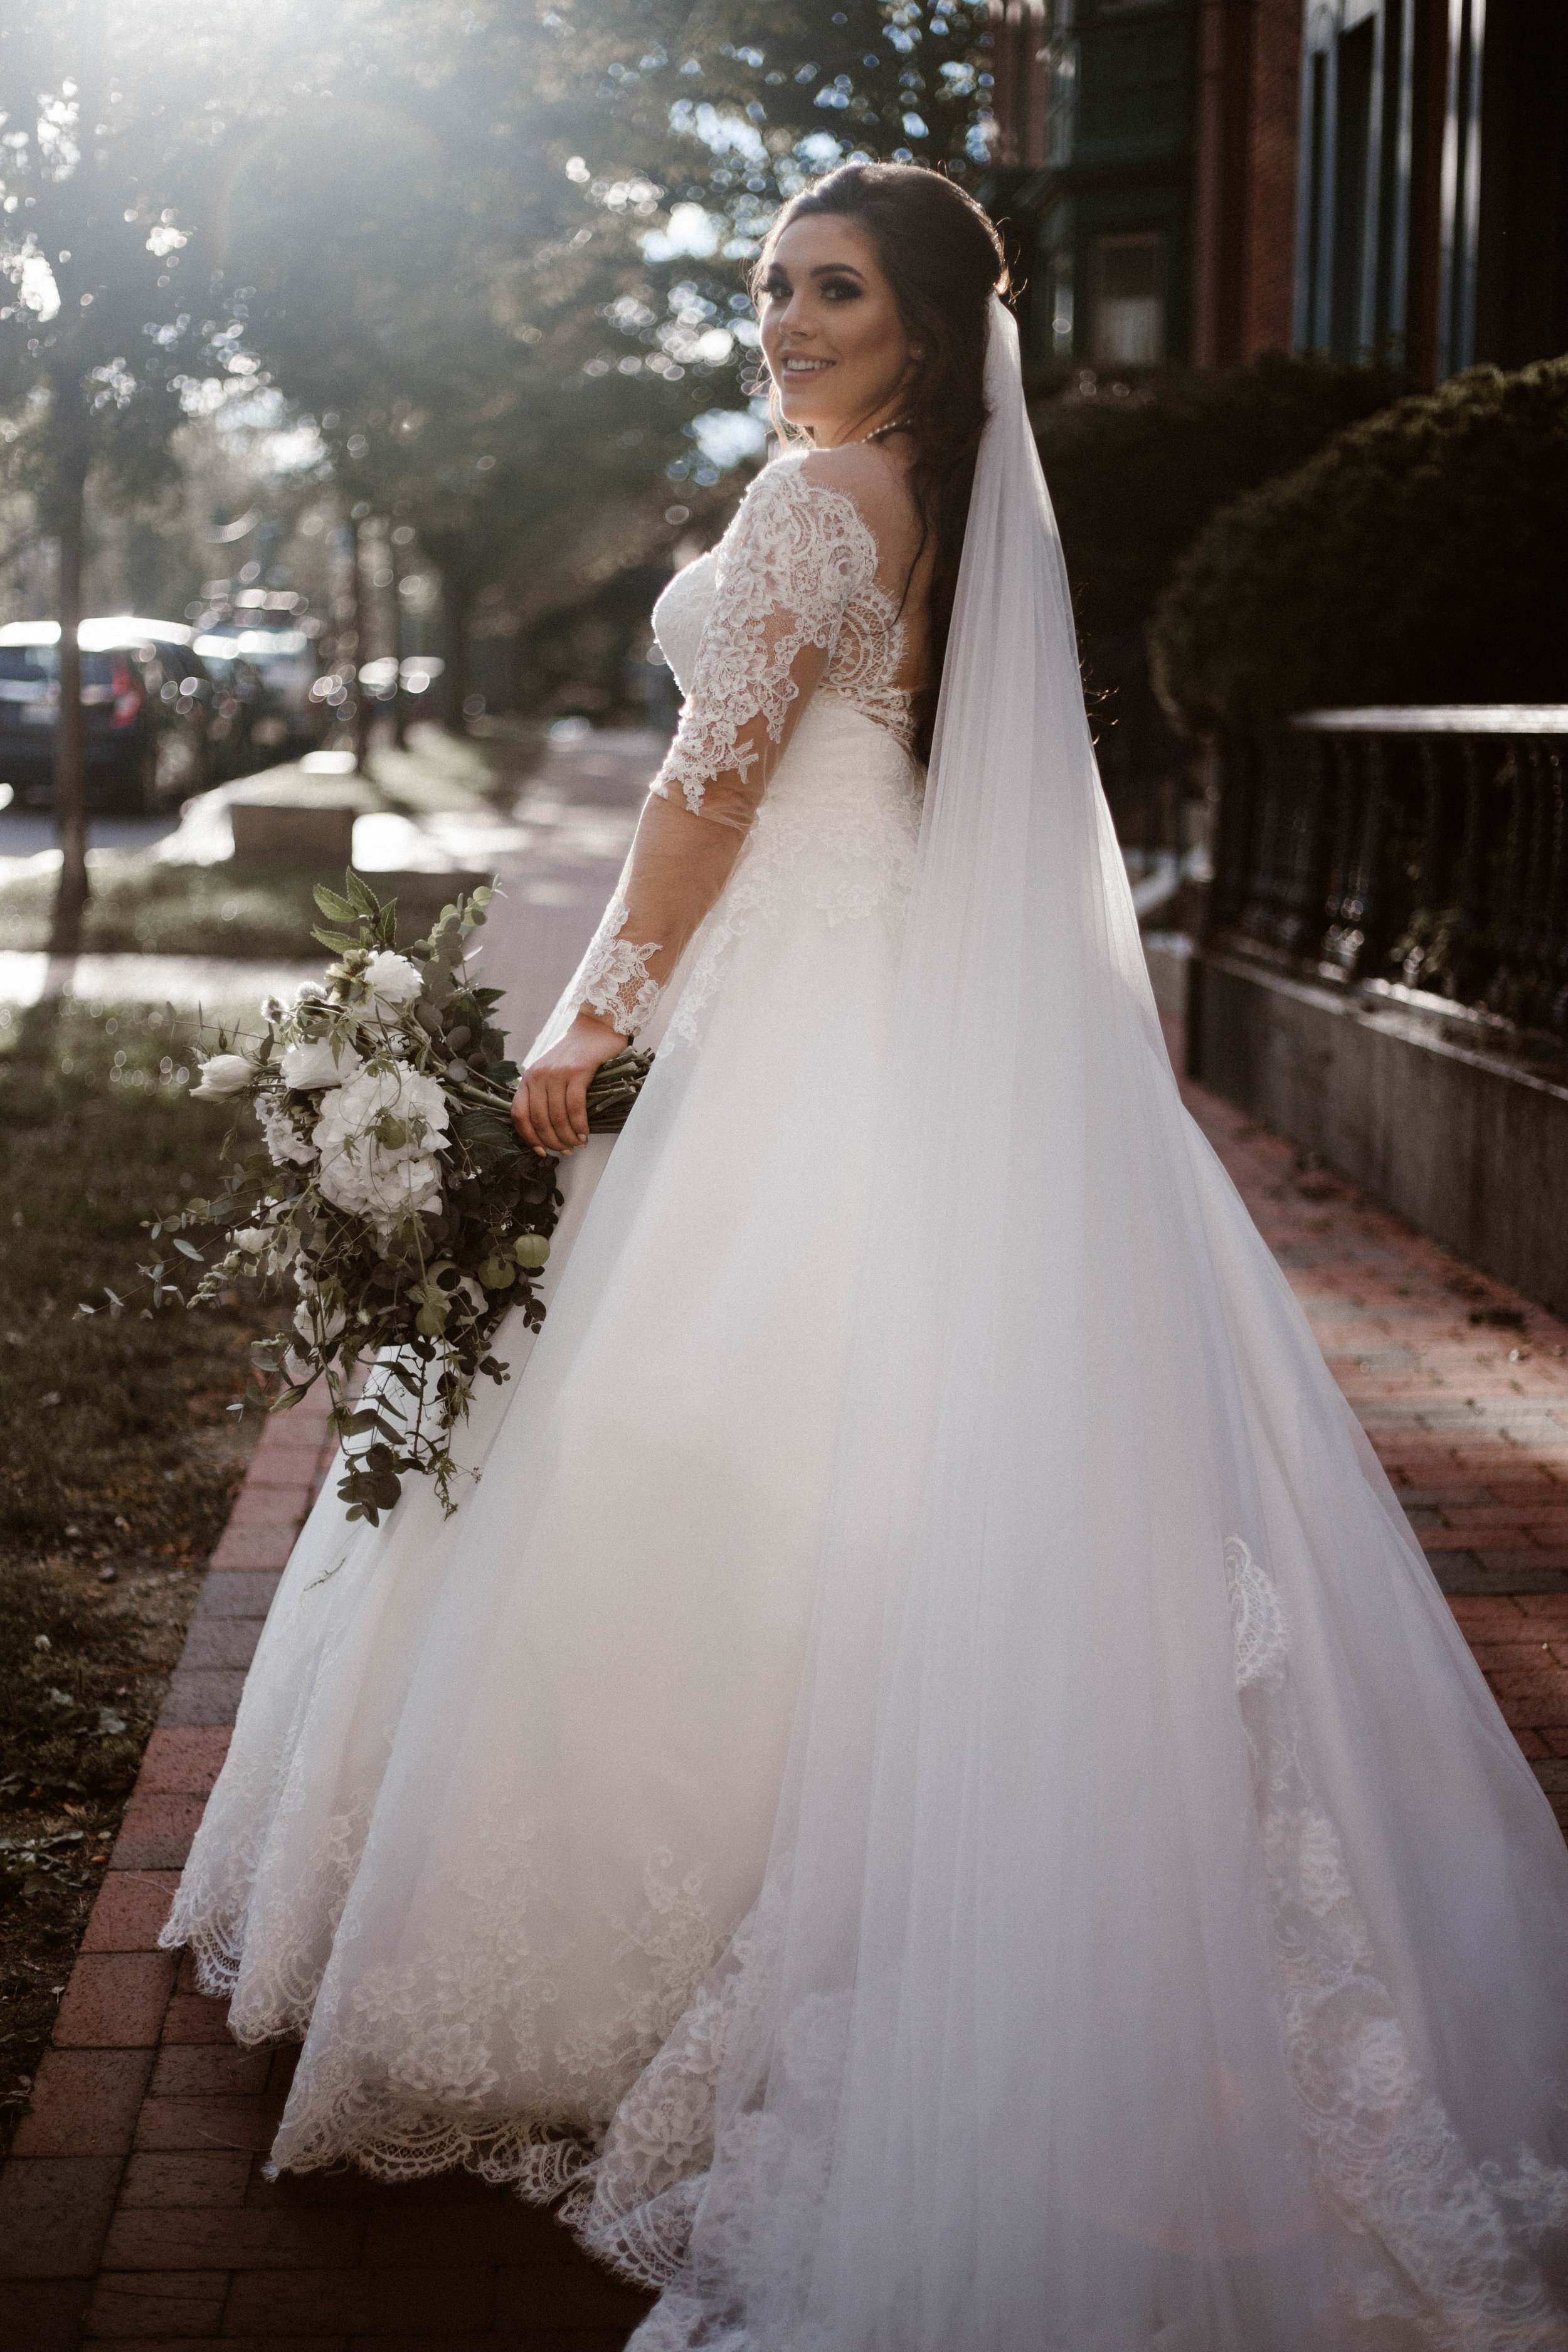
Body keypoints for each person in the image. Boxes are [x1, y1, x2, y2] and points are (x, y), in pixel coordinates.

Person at [162, 164, 1568, 2349]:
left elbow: (702, 800)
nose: (784, 318)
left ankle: (653, 1948)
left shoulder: (830, 505)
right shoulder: (925, 494)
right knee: (830, 1436)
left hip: (786, 1002)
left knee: (689, 1441)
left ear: (923, 320)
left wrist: (589, 1008)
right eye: (765, 286)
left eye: (828, 289)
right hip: (875, 989)